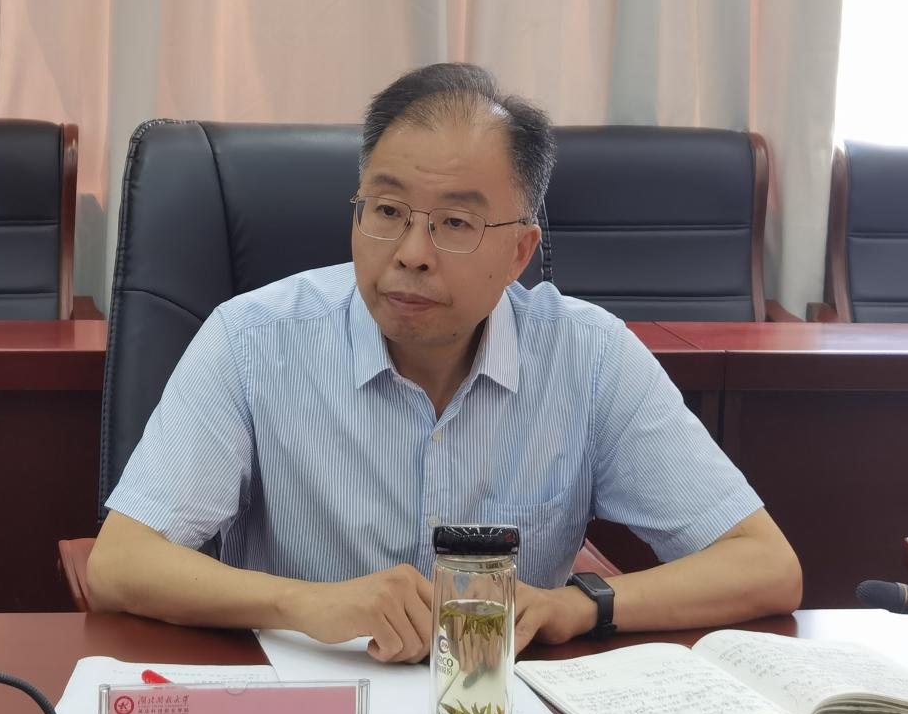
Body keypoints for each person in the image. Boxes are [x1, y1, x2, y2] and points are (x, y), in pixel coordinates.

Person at [87, 63, 802, 662]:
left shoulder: (588, 356)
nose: (411, 253)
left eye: (455, 223)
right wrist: (305, 603)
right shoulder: (252, 341)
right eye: (387, 211)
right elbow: (119, 563)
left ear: (519, 252)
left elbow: (765, 565)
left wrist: (580, 605)